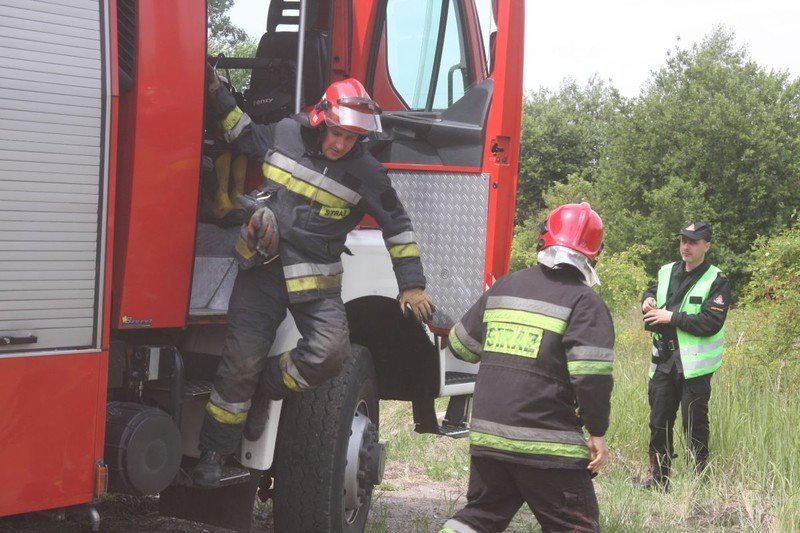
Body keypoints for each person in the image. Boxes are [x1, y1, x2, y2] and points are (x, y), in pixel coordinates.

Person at [190, 67, 434, 487]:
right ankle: (214, 453)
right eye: (336, 132)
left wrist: (411, 283)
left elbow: (398, 226)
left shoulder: (368, 173)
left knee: (330, 353)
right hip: (262, 268)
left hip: (316, 280)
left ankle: (264, 389)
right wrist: (215, 92)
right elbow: (242, 134)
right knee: (239, 362)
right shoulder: (286, 133)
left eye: (351, 138)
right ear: (322, 118)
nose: (341, 144)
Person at [440, 203, 614, 533]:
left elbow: (461, 345)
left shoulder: (504, 287)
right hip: (548, 442)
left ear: (542, 241)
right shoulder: (585, 303)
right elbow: (591, 376)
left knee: (481, 516)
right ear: (594, 255)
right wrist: (598, 433)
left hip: (490, 434)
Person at [637, 221, 731, 491]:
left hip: (695, 367)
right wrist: (647, 300)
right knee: (658, 422)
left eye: (693, 242)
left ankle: (699, 482)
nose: (686, 246)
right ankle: (658, 479)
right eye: (683, 240)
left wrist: (671, 317)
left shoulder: (717, 280)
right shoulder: (667, 270)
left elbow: (710, 322)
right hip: (664, 360)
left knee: (695, 425)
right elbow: (652, 290)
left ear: (707, 246)